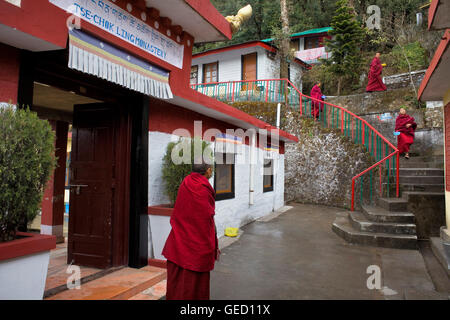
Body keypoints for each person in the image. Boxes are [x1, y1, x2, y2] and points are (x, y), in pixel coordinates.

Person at [162, 162, 219, 300]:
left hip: (179, 237)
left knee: (178, 280)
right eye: (211, 170)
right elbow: (206, 217)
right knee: (194, 285)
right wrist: (213, 239)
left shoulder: (185, 182)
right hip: (196, 242)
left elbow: (181, 209)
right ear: (208, 170)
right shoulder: (204, 187)